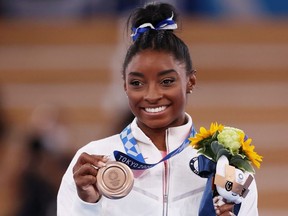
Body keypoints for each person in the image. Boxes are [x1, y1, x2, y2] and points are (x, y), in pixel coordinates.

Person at [57, 2, 258, 216]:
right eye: (137, 83)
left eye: (166, 81)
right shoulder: (96, 162)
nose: (151, 95)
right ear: (125, 85)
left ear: (190, 81)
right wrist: (88, 204)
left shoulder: (227, 164)